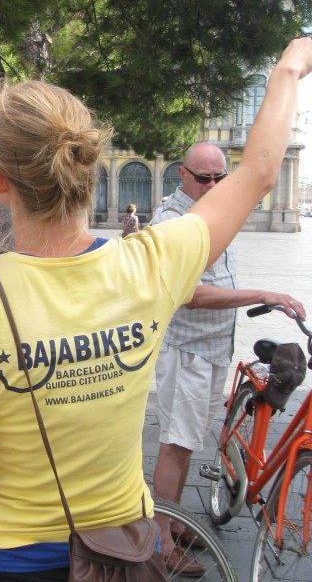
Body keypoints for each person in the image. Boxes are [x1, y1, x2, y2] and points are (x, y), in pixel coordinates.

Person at [0, 37, 312, 581]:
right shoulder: (151, 263)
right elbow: (259, 174)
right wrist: (288, 70)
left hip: (8, 557)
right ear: (87, 167)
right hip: (121, 551)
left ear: (0, 180)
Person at [150, 141, 306, 570]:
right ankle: (161, 540)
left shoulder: (213, 212)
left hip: (210, 349)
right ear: (182, 175)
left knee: (188, 442)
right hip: (187, 352)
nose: (215, 184)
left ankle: (174, 518)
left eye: (221, 177)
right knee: (176, 445)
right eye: (205, 178)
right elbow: (192, 294)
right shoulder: (173, 220)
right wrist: (263, 294)